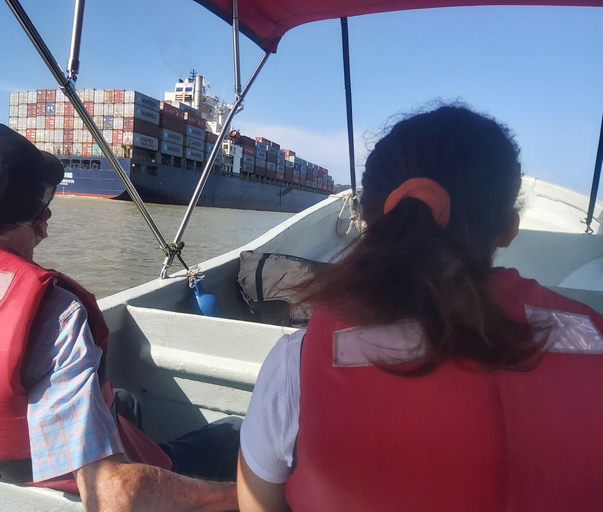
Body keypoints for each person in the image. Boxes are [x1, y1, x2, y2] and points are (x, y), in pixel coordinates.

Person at [0, 123, 238, 512]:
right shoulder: (54, 311)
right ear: (41, 220)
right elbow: (113, 498)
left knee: (124, 402)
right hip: (44, 490)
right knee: (232, 436)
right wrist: (248, 498)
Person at [236, 106, 603, 512]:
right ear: (508, 229)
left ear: (369, 218)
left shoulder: (297, 362)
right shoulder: (595, 336)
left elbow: (259, 505)